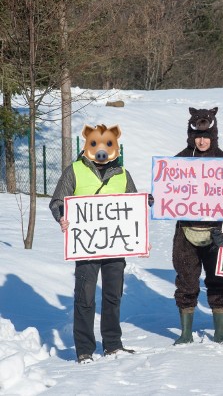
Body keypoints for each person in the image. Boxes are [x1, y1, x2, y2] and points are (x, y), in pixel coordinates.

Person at [49, 124, 139, 363]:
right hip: (86, 245)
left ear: (116, 146)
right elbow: (57, 201)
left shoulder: (122, 174)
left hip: (115, 245)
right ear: (87, 144)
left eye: (108, 145)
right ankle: (85, 350)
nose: (102, 150)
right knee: (85, 298)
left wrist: (144, 204)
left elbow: (133, 205)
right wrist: (62, 217)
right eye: (96, 144)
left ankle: (112, 344)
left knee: (113, 296)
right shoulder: (75, 171)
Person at [171, 108, 223, 345]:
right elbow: (167, 188)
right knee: (186, 279)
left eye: (206, 137)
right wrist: (156, 198)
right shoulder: (178, 161)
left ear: (213, 136)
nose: (202, 140)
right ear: (191, 135)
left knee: (219, 280)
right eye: (198, 136)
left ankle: (221, 331)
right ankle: (185, 332)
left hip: (216, 232)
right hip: (186, 230)